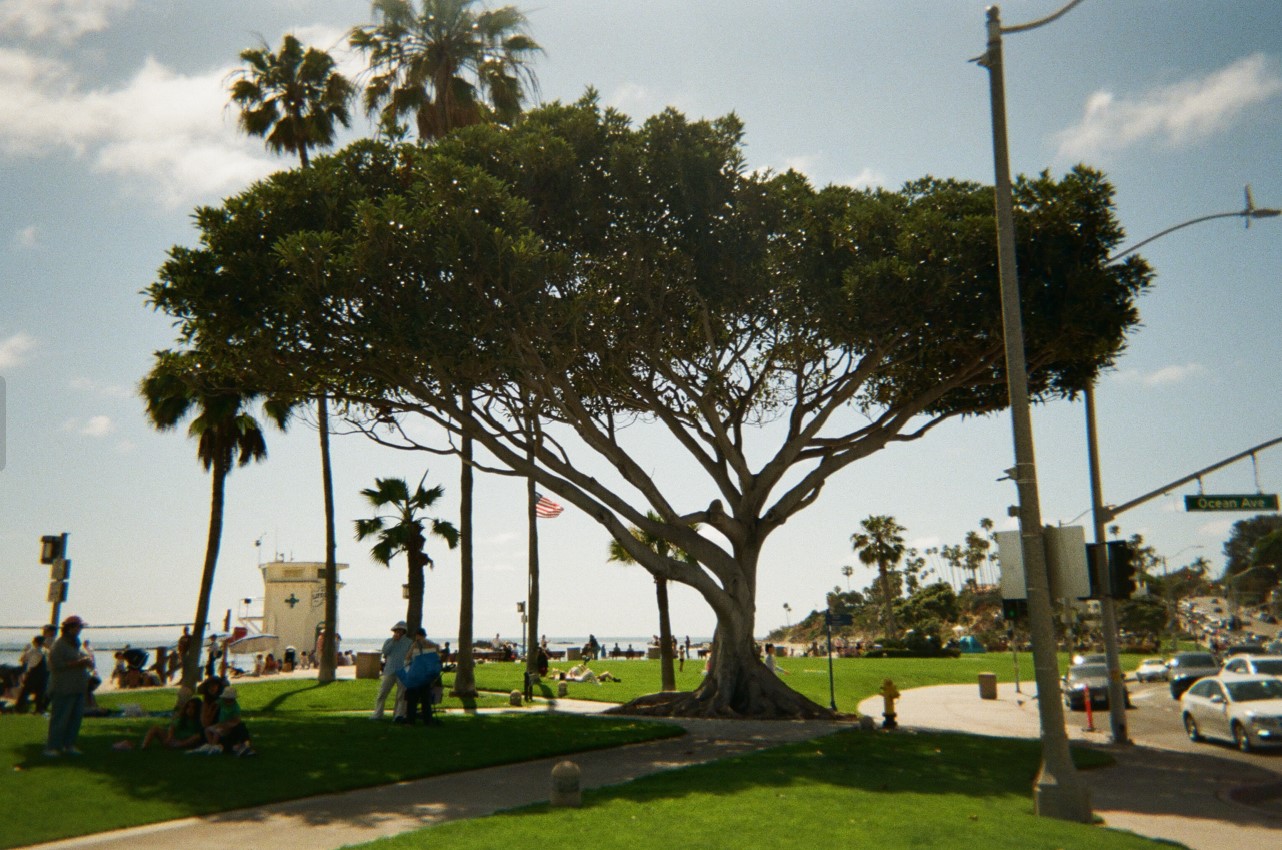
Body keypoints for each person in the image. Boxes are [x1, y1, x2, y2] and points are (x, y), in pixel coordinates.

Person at [44, 615, 95, 757]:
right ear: (70, 628)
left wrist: (87, 662)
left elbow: (81, 658)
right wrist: (79, 663)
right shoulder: (59, 645)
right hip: (63, 687)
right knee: (60, 718)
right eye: (79, 627)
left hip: (78, 687)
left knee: (75, 719)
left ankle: (69, 745)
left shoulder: (76, 644)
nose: (80, 630)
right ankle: (52, 747)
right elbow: (56, 665)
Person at [398, 629, 443, 726]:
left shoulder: (415, 645)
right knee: (425, 700)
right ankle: (428, 721)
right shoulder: (434, 645)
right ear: (425, 635)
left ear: (417, 635)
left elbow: (407, 659)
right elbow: (438, 658)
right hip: (426, 677)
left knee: (412, 700)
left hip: (415, 676)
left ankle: (410, 721)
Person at [372, 621, 411, 720]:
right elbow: (385, 652)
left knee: (401, 695)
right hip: (390, 670)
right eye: (396, 630)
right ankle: (378, 714)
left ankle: (398, 715)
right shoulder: (389, 641)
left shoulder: (409, 642)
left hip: (402, 670)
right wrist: (393, 641)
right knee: (382, 693)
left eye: (400, 630)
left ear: (404, 631)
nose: (398, 632)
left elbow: (410, 656)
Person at [200, 686, 254, 756]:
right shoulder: (221, 702)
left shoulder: (235, 708)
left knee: (217, 732)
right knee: (207, 730)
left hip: (228, 725)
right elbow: (214, 704)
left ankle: (214, 747)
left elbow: (236, 720)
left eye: (230, 699)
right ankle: (211, 745)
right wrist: (210, 711)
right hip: (220, 723)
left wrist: (227, 725)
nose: (228, 701)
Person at [15, 630, 51, 714]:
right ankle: (39, 709)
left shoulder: (33, 650)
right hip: (45, 673)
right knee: (41, 691)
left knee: (26, 690)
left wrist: (25, 651)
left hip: (34, 672)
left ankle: (19, 708)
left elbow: (22, 659)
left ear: (35, 642)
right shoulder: (46, 651)